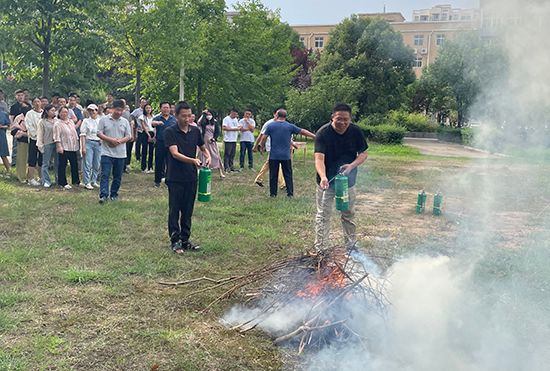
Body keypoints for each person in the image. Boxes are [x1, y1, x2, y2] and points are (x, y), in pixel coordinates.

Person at [314, 103, 369, 252]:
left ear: (350, 119)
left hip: (347, 183)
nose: (342, 123)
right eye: (339, 119)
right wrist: (323, 176)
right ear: (332, 117)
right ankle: (321, 249)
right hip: (326, 183)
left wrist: (351, 166)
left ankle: (351, 247)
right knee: (323, 216)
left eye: (346, 119)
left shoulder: (355, 132)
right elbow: (319, 159)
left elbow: (363, 154)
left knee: (348, 215)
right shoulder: (323, 133)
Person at [164, 101, 211, 254]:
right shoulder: (170, 131)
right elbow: (174, 153)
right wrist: (193, 160)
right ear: (176, 115)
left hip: (191, 176)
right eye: (183, 116)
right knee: (174, 209)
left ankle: (185, 239)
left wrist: (207, 155)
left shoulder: (195, 131)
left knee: (188, 210)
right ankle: (175, 240)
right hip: (175, 176)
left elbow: (202, 147)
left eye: (189, 116)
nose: (187, 119)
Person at [258, 109, 315, 198]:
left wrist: (261, 146)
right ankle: (290, 193)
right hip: (286, 155)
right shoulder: (289, 126)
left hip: (274, 155)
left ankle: (273, 194)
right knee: (288, 174)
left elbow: (264, 138)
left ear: (277, 115)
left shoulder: (271, 126)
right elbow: (302, 131)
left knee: (273, 175)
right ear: (285, 116)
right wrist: (314, 136)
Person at [97, 99, 132, 203]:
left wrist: (119, 141)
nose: (119, 112)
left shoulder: (125, 121)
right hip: (106, 152)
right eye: (117, 110)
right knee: (105, 174)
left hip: (120, 153)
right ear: (112, 109)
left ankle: (114, 194)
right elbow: (99, 133)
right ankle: (103, 195)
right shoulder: (104, 120)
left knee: (117, 176)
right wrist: (110, 140)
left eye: (121, 110)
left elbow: (129, 136)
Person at [253, 109, 285, 189]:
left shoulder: (281, 123)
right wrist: (256, 146)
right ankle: (282, 184)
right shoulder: (269, 123)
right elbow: (261, 135)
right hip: (271, 146)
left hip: (278, 146)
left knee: (268, 163)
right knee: (278, 164)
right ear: (274, 114)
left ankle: (259, 179)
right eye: (277, 114)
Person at [53, 107, 80, 190]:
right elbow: (56, 136)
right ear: (59, 113)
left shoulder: (71, 121)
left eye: (66, 112)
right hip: (64, 147)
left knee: (74, 164)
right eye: (63, 112)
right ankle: (63, 182)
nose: (64, 114)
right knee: (62, 165)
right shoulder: (57, 123)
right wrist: (59, 146)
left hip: (73, 146)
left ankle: (76, 181)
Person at [152, 102, 176, 187]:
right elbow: (152, 123)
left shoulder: (174, 119)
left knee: (170, 162)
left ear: (170, 109)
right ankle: (157, 181)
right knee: (159, 162)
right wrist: (157, 123)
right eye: (164, 108)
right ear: (160, 109)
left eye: (167, 108)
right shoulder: (157, 118)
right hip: (160, 143)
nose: (166, 109)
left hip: (171, 144)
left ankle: (169, 180)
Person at [80, 104, 102, 190]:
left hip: (98, 143)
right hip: (89, 142)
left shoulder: (100, 121)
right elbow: (83, 134)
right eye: (90, 111)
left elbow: (103, 132)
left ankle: (94, 180)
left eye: (94, 110)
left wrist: (102, 139)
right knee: (88, 163)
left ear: (97, 111)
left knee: (97, 163)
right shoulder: (86, 121)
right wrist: (83, 147)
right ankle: (87, 181)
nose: (92, 112)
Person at [198, 110, 225, 178]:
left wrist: (213, 138)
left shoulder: (215, 122)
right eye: (207, 114)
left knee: (216, 155)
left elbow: (217, 132)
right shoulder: (203, 122)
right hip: (204, 141)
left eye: (210, 114)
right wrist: (203, 114)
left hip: (212, 141)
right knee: (203, 155)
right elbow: (198, 122)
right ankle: (203, 171)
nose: (208, 116)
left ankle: (220, 172)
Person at [37, 104, 58, 187]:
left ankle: (58, 179)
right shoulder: (42, 121)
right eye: (52, 110)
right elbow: (40, 134)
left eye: (54, 110)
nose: (53, 112)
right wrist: (40, 145)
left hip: (56, 143)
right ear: (46, 111)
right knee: (45, 163)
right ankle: (46, 180)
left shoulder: (57, 121)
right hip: (47, 143)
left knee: (57, 163)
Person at [9, 89, 31, 167]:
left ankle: (26, 161)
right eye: (18, 95)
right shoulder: (14, 107)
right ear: (16, 97)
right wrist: (12, 127)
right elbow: (11, 117)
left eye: (21, 95)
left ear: (24, 96)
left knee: (26, 145)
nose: (20, 97)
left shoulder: (28, 106)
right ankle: (14, 161)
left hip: (26, 128)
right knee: (15, 145)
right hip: (16, 127)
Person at [25, 97, 43, 186]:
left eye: (38, 101)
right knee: (32, 158)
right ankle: (30, 178)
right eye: (35, 102)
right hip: (33, 139)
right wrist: (36, 135)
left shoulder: (44, 113)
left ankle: (41, 177)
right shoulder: (29, 114)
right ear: (32, 104)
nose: (37, 103)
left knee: (41, 159)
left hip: (43, 140)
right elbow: (29, 126)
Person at [138, 103, 155, 173]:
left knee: (151, 151)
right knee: (144, 150)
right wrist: (148, 135)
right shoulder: (142, 117)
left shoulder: (154, 117)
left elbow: (155, 127)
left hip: (152, 133)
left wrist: (154, 135)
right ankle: (143, 167)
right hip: (145, 133)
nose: (148, 109)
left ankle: (150, 167)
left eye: (149, 108)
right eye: (147, 108)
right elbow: (144, 126)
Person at [131, 97, 148, 161]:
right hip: (139, 129)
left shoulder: (147, 110)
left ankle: (144, 157)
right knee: (138, 144)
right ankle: (138, 157)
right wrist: (134, 123)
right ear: (140, 103)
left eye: (145, 102)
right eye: (142, 102)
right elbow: (131, 116)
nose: (144, 104)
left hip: (147, 130)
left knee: (145, 145)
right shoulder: (137, 111)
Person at [121, 99, 134, 172]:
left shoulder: (127, 113)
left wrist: (131, 134)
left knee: (126, 150)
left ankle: (124, 166)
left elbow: (131, 124)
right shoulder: (117, 112)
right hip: (119, 135)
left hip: (126, 134)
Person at [0, 109, 10, 177]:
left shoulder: (4, 114)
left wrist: (2, 126)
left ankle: (8, 170)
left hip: (1, 135)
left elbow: (8, 125)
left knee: (3, 154)